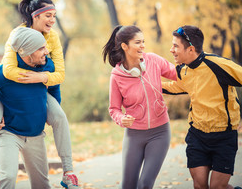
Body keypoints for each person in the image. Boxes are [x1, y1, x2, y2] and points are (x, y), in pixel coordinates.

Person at [0, 0, 79, 189]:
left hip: (40, 82)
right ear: (34, 16)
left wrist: (42, 78)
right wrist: (29, 75)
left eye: (54, 16)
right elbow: (7, 70)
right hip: (8, 85)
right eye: (48, 15)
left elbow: (58, 77)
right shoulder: (17, 35)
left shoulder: (51, 43)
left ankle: (69, 172)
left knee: (59, 116)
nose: (52, 20)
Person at [0, 27, 56, 188]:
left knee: (42, 184)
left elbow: (54, 85)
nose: (46, 51)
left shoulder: (46, 66)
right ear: (27, 52)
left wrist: (52, 111)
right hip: (9, 133)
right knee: (8, 177)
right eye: (41, 48)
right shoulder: (3, 72)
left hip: (35, 135)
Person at [162, 25, 242, 189]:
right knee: (199, 186)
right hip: (197, 135)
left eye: (176, 46)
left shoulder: (218, 65)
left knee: (217, 187)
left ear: (190, 49)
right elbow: (176, 87)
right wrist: (146, 84)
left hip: (224, 136)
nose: (171, 50)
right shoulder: (183, 70)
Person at [102, 25, 177, 189]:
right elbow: (113, 108)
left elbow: (178, 74)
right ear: (124, 46)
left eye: (143, 42)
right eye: (137, 42)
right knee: (128, 185)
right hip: (134, 135)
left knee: (145, 185)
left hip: (160, 133)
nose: (142, 46)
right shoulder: (116, 76)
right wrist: (122, 119)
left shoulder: (153, 61)